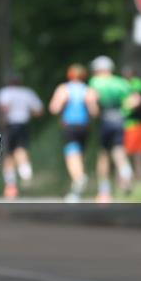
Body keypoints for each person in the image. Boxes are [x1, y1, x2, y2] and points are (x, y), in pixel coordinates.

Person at [48, 64, 99, 201]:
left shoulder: (64, 89)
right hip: (84, 126)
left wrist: (64, 105)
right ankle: (76, 190)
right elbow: (94, 112)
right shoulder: (88, 90)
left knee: (71, 154)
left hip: (70, 125)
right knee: (80, 154)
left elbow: (54, 108)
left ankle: (79, 178)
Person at [88, 56, 134, 202]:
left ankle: (104, 191)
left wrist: (94, 113)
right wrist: (124, 111)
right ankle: (126, 174)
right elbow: (135, 100)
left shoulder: (96, 82)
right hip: (120, 120)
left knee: (103, 155)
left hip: (106, 120)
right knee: (119, 151)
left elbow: (91, 100)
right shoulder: (121, 82)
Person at [0, 74, 44, 198]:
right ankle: (25, 173)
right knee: (21, 149)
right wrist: (26, 111)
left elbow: (4, 108)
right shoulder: (28, 93)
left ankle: (11, 186)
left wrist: (1, 120)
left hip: (10, 125)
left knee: (8, 154)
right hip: (23, 124)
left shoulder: (4, 92)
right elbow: (39, 111)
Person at [122, 66, 141, 182]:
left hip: (132, 125)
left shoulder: (133, 85)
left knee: (124, 154)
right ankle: (139, 179)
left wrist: (122, 107)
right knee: (139, 155)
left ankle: (127, 181)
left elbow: (136, 101)